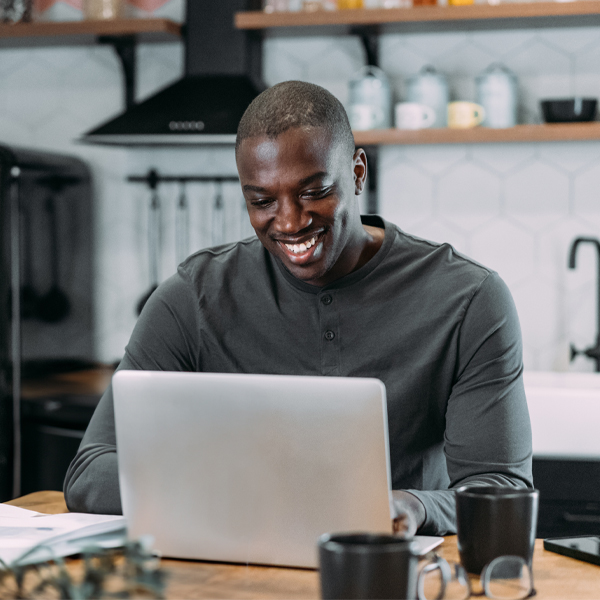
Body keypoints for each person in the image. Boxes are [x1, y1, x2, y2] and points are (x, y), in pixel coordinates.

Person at [64, 81, 533, 536]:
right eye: (263, 201)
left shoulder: (469, 298)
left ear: (357, 172)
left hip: (386, 570)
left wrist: (413, 505)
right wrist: (233, 492)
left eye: (314, 192)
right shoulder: (192, 297)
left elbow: (503, 490)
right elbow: (90, 471)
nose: (289, 221)